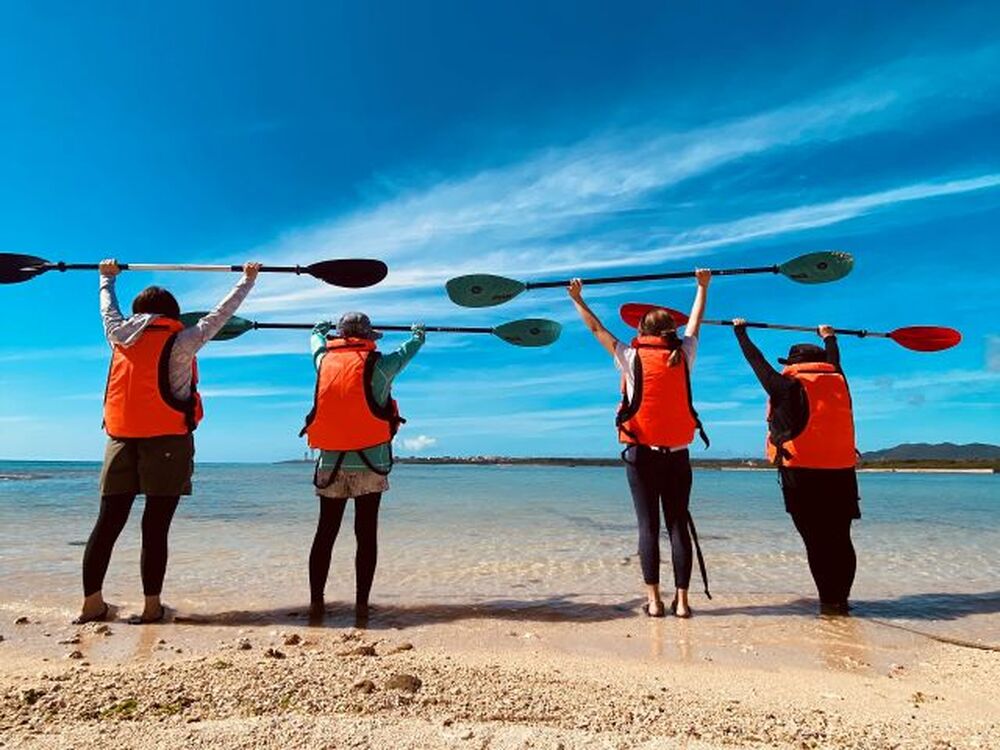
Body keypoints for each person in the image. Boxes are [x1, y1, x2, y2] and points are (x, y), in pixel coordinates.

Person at [75, 259, 261, 625]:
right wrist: (248, 279)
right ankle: (150, 608)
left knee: (107, 524)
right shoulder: (184, 340)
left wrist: (106, 277)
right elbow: (221, 314)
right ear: (174, 314)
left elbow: (107, 306)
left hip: (120, 440)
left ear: (137, 312)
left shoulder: (117, 334)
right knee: (155, 528)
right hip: (168, 443)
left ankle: (91, 605)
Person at [568, 271, 711, 618]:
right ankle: (683, 603)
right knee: (677, 526)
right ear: (671, 332)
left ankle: (654, 601)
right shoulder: (685, 353)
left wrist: (577, 299)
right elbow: (695, 322)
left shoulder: (630, 357)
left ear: (641, 332)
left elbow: (596, 329)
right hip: (678, 456)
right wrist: (702, 287)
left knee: (648, 527)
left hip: (641, 456)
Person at [302, 312, 425, 623]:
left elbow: (315, 342)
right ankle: (361, 607)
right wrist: (418, 334)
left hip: (331, 464)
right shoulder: (382, 366)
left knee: (325, 533)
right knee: (366, 534)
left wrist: (319, 329)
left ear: (340, 336)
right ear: (368, 337)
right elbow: (408, 351)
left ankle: (316, 605)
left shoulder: (323, 361)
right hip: (372, 464)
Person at [732, 320, 860, 615]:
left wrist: (740, 332)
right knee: (841, 539)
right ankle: (841, 601)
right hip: (842, 473)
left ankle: (829, 604)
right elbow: (835, 361)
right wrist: (830, 337)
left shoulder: (785, 386)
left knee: (816, 541)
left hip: (801, 475)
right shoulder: (838, 379)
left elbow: (756, 361)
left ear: (793, 364)